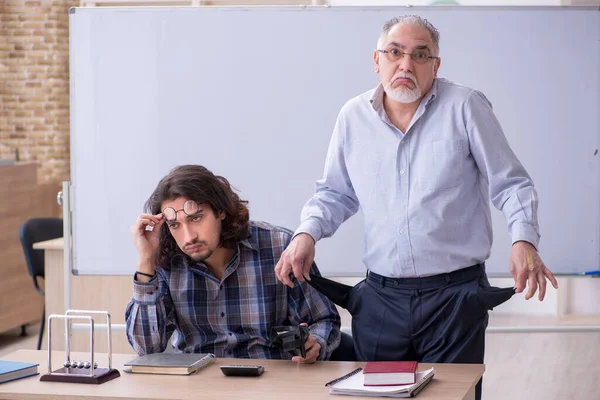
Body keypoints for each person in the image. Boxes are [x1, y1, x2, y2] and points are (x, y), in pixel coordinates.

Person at [275, 15, 558, 397]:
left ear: (435, 66)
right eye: (395, 52)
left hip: (454, 297)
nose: (406, 64)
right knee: (378, 395)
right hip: (381, 300)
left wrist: (524, 240)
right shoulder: (353, 117)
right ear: (377, 60)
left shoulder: (465, 106)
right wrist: (306, 233)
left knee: (450, 396)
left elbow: (512, 184)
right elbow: (335, 193)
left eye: (420, 55)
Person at [126, 164, 341, 363]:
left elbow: (324, 320)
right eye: (175, 225)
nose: (188, 237)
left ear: (221, 211)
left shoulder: (280, 247)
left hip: (272, 385)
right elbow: (147, 349)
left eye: (196, 218)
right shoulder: (167, 263)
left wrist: (315, 343)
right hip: (198, 387)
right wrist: (146, 260)